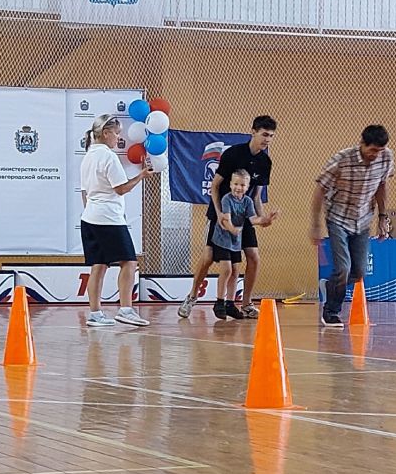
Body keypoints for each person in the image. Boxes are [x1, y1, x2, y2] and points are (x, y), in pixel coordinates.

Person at [177, 116, 278, 320]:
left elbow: (256, 196)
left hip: (243, 215)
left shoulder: (265, 162)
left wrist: (262, 218)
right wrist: (220, 214)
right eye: (264, 134)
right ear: (253, 132)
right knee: (208, 258)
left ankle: (246, 303)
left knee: (254, 257)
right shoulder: (233, 154)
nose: (267, 139)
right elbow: (215, 186)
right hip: (222, 211)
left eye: (271, 136)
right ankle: (192, 296)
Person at [310, 124, 394, 328]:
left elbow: (382, 186)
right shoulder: (342, 160)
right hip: (338, 218)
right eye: (372, 150)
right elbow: (320, 189)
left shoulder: (386, 157)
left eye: (379, 150)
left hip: (363, 219)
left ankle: (331, 286)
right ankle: (331, 312)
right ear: (362, 143)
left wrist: (383, 217)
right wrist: (315, 224)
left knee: (359, 272)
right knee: (343, 268)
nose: (375, 155)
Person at [80, 114, 152, 327]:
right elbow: (120, 188)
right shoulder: (108, 157)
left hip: (90, 217)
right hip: (108, 218)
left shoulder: (88, 157)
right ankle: (126, 309)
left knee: (99, 265)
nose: (119, 138)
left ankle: (95, 313)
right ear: (105, 133)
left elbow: (84, 193)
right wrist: (141, 176)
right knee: (129, 262)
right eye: (117, 133)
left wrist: (93, 211)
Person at [211, 170, 263, 320]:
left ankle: (230, 303)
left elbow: (252, 219)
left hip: (235, 242)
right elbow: (225, 219)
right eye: (236, 184)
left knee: (235, 271)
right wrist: (233, 229)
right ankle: (219, 302)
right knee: (227, 269)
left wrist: (265, 219)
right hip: (222, 239)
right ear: (230, 184)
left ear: (247, 187)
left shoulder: (247, 201)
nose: (238, 187)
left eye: (242, 185)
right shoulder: (227, 199)